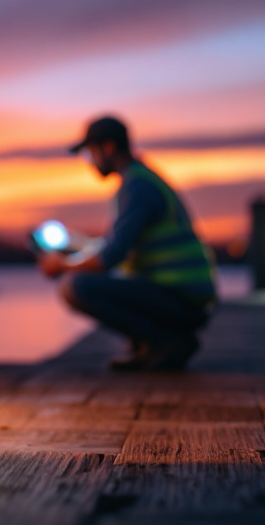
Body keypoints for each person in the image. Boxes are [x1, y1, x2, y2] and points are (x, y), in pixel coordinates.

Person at [39, 116, 217, 370]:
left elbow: (110, 257)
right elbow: (117, 247)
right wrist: (74, 248)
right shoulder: (139, 180)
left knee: (75, 287)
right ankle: (149, 346)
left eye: (90, 154)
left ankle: (165, 342)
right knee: (91, 282)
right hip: (182, 297)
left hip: (182, 300)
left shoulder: (137, 187)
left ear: (108, 148)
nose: (89, 162)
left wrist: (63, 266)